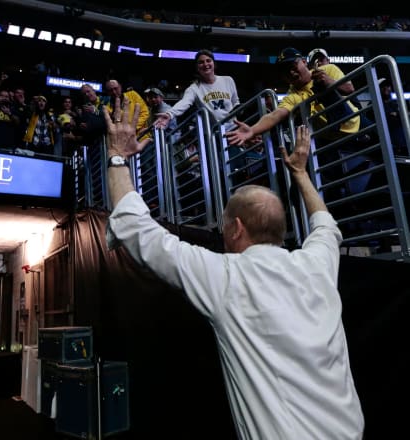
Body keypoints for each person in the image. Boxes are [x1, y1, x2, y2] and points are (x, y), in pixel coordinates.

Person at [103, 96, 364, 439]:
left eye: (225, 223)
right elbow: (325, 225)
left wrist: (116, 156)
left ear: (236, 228)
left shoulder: (226, 278)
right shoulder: (317, 265)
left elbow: (136, 228)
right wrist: (300, 174)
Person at [225, 47, 361, 147]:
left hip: (357, 125)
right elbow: (275, 115)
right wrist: (252, 130)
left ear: (304, 62)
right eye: (285, 71)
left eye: (293, 65)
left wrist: (328, 81)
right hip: (331, 141)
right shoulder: (293, 95)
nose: (291, 72)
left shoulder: (327, 70)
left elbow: (349, 89)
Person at [154, 49, 240, 131]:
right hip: (215, 133)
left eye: (208, 60)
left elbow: (235, 102)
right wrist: (170, 114)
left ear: (214, 63)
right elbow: (184, 103)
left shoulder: (228, 80)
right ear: (197, 67)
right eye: (201, 62)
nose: (206, 64)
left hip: (233, 128)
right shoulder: (194, 88)